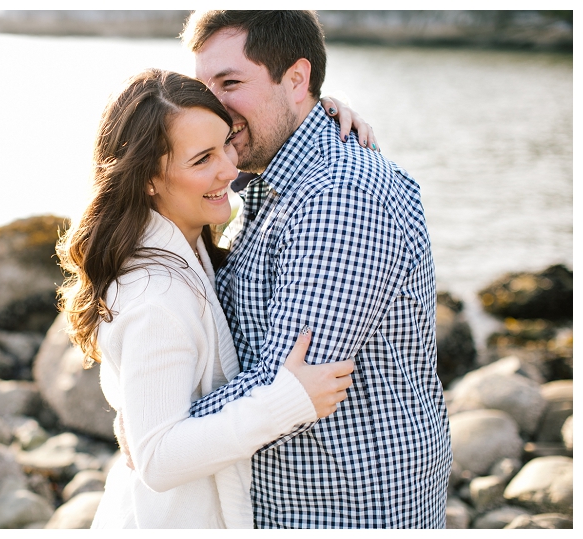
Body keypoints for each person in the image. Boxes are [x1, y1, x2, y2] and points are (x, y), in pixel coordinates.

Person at [180, 10, 453, 528]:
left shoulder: (339, 196)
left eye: (230, 82)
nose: (211, 105)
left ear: (298, 78)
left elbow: (288, 390)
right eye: (201, 86)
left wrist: (166, 435)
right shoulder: (267, 180)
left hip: (344, 511)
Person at [55, 69, 362, 528]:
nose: (230, 169)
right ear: (148, 180)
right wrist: (286, 402)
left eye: (227, 143)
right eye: (202, 160)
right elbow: (157, 458)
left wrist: (323, 113)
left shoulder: (188, 245)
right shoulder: (153, 296)